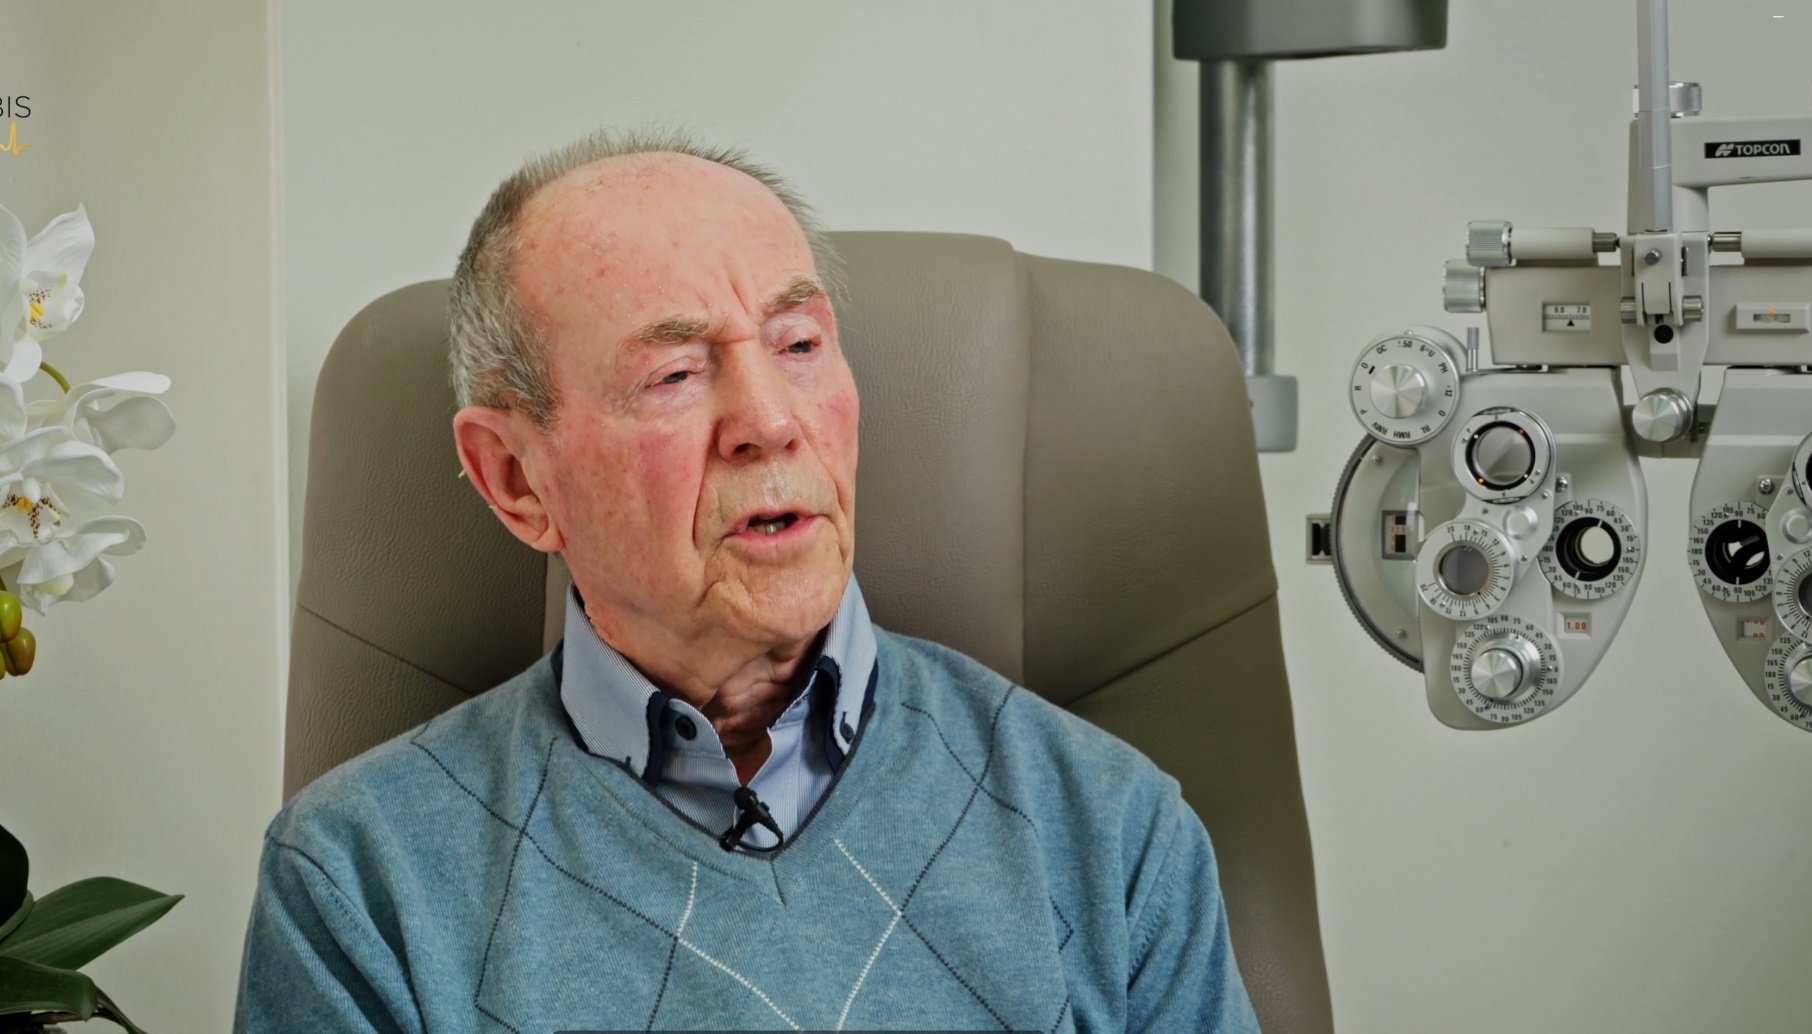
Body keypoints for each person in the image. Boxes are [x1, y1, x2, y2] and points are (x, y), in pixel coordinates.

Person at [236, 129, 1263, 1034]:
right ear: (515, 478)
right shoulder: (358, 884)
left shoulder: (1110, 826)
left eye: (799, 344)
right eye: (675, 374)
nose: (772, 421)